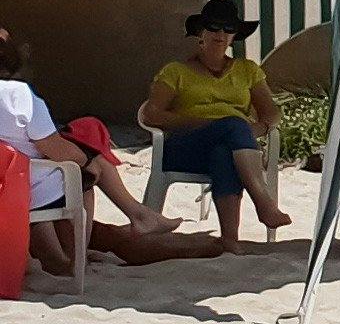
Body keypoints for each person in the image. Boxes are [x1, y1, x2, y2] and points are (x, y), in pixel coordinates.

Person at [4, 24, 208, 278]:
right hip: (21, 185)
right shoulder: (17, 95)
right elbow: (53, 148)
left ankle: (127, 223)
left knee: (83, 147)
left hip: (12, 182)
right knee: (88, 171)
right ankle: (74, 259)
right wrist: (83, 158)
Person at [142, 0, 289, 241]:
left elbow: (271, 112)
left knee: (224, 154)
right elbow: (151, 114)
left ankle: (230, 241)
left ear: (234, 36)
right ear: (201, 32)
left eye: (228, 29)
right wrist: (204, 125)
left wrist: (258, 128)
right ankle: (263, 202)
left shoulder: (248, 70)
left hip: (232, 146)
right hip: (185, 146)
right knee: (232, 125)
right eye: (213, 27)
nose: (220, 34)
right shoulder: (175, 71)